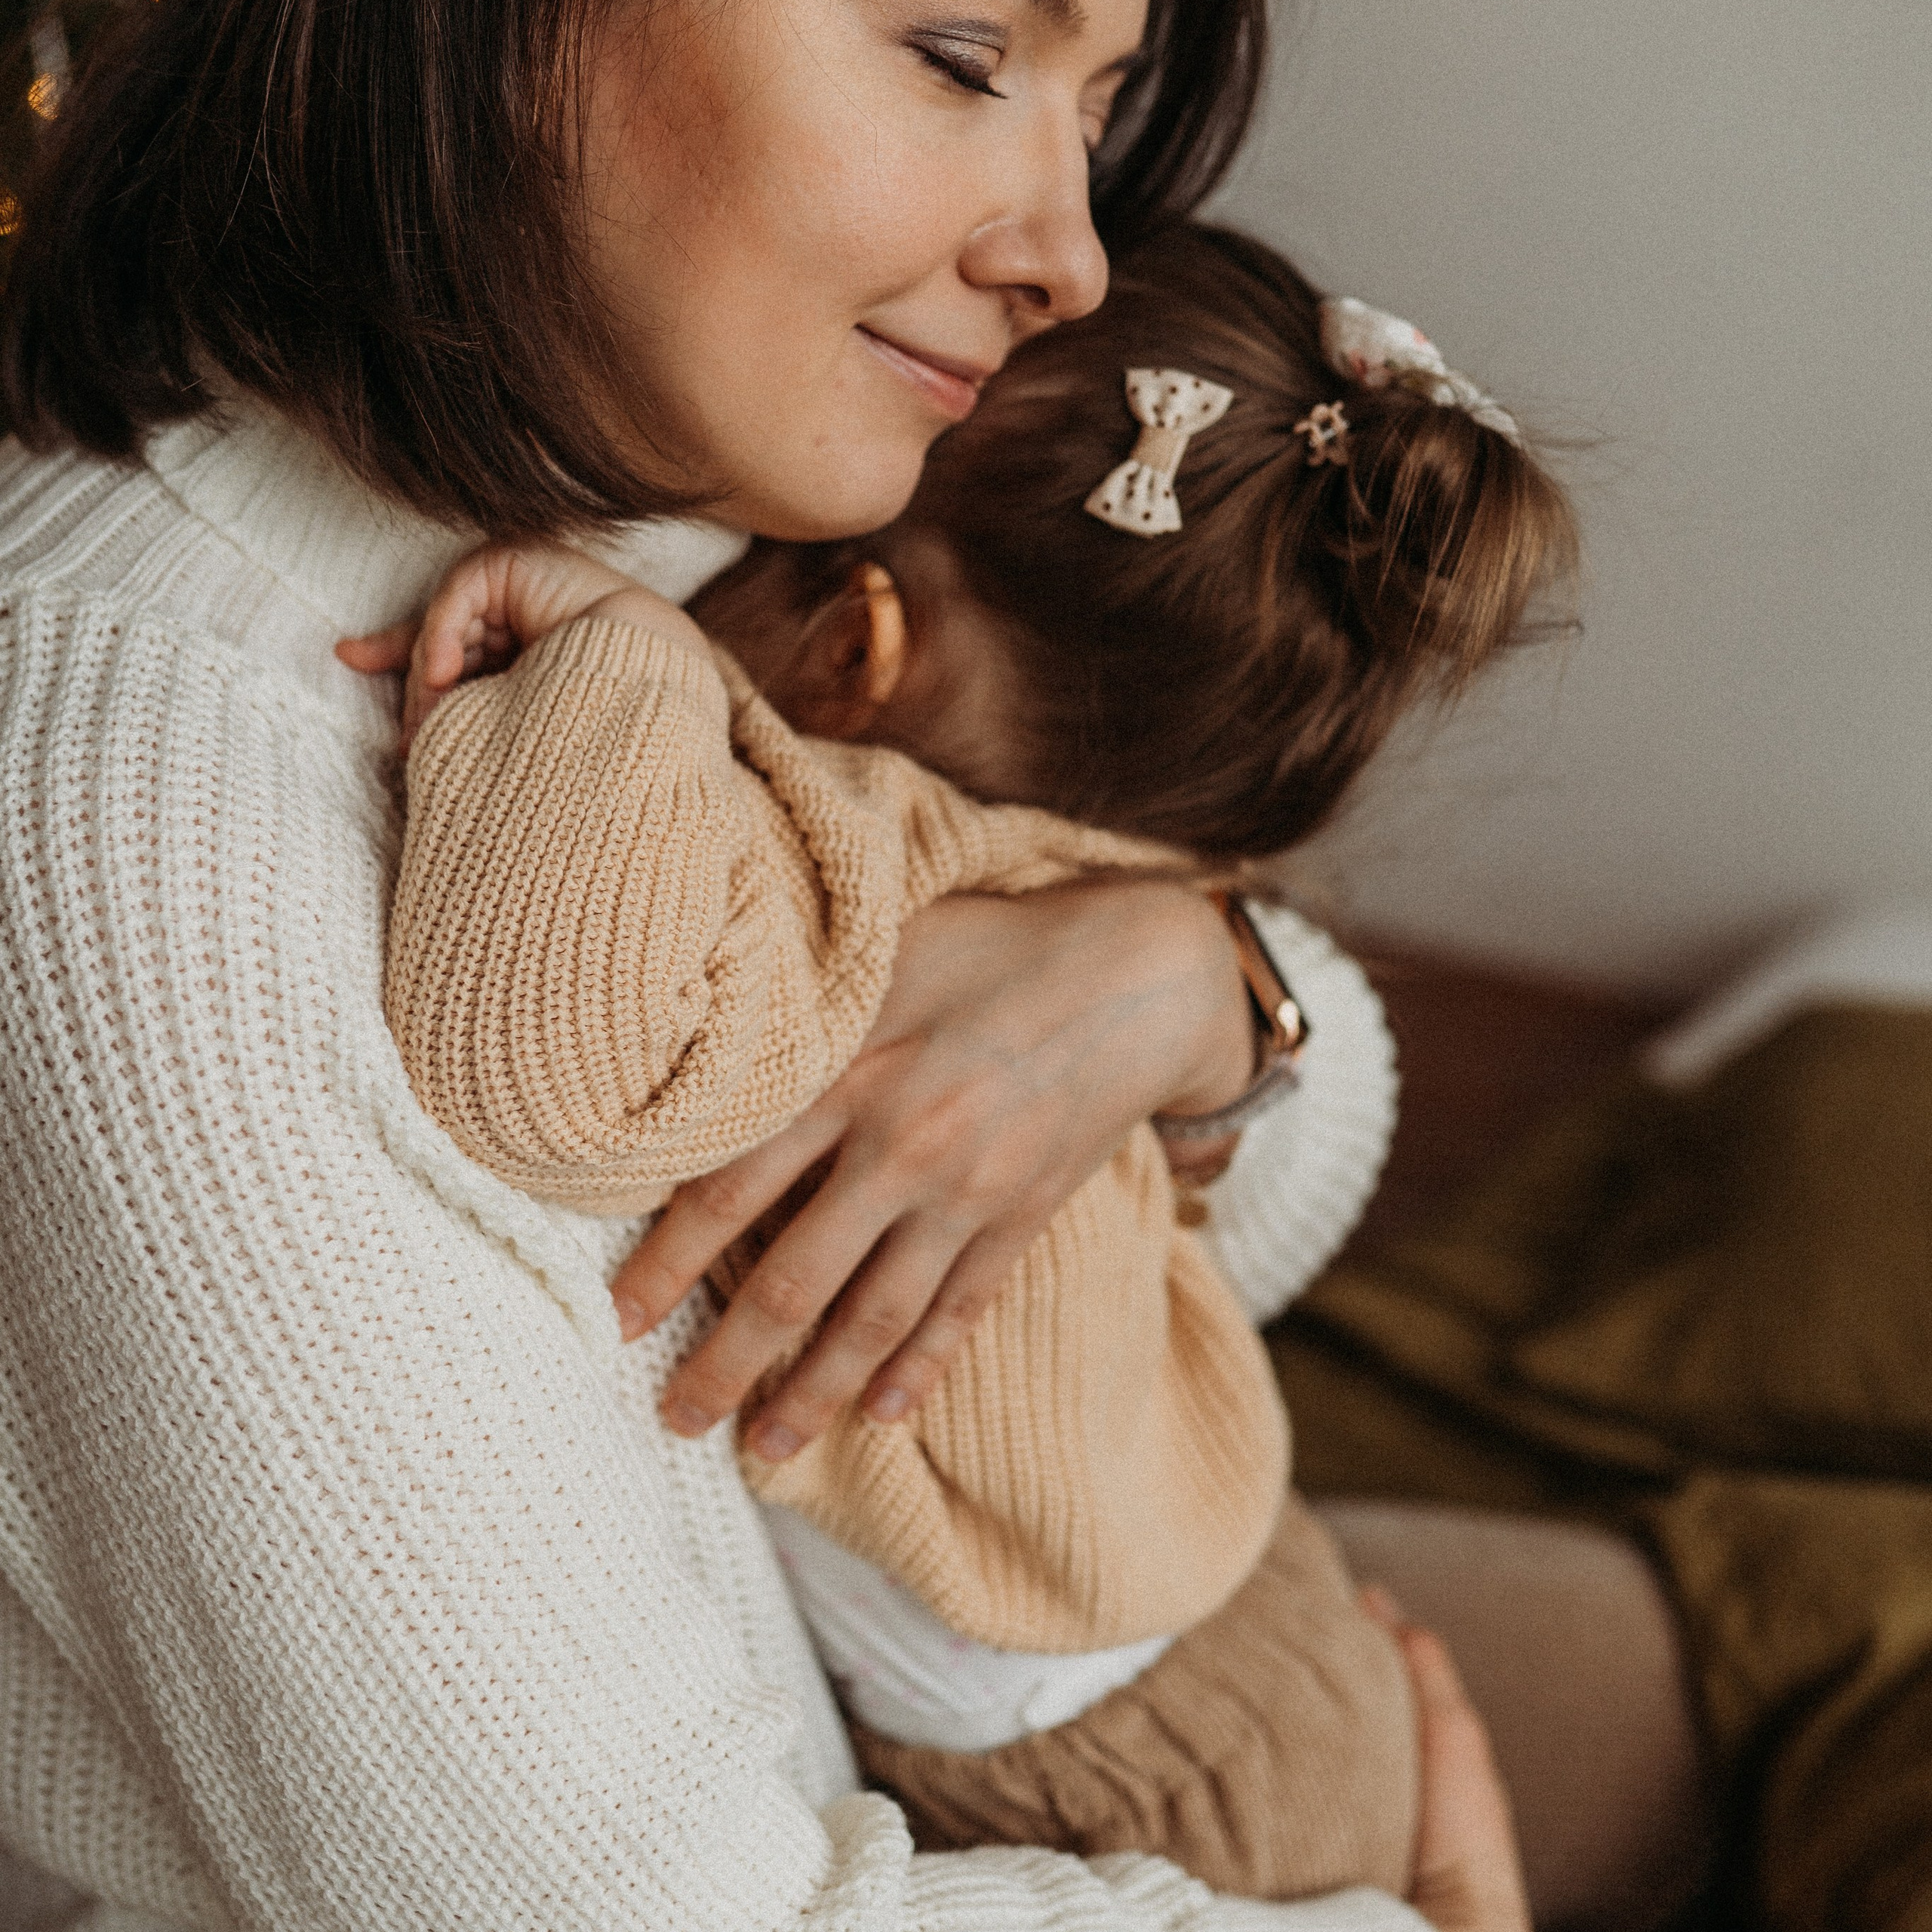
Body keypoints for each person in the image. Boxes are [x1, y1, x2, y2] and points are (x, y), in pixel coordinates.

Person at [0, 1, 1554, 1927]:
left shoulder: (661, 518)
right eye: (963, 52)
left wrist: (1182, 984)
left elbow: (1163, 1266)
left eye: (1106, 105)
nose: (1068, 250)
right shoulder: (132, 828)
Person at [360, 217, 1577, 1906]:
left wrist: (614, 651)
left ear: (852, 646)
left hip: (1166, 1800)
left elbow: (545, 1067)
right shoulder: (1117, 868)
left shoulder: (850, 848)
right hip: (1250, 1639)